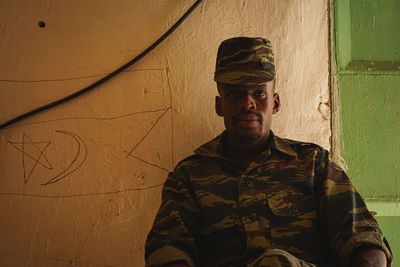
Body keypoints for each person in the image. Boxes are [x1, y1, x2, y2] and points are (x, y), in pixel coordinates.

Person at [144, 37, 392, 267]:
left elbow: (362, 237)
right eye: (235, 95)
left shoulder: (313, 165)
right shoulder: (189, 176)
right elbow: (167, 246)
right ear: (220, 105)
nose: (247, 104)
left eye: (258, 93)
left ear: (275, 103)